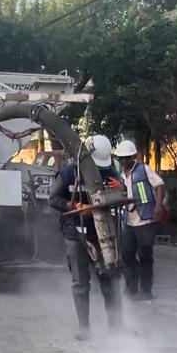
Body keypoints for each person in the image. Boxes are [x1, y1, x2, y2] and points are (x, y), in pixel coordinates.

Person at [50, 135, 125, 340]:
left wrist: (120, 190)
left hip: (104, 235)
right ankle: (84, 327)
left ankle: (117, 327)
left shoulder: (110, 172)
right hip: (76, 235)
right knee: (81, 283)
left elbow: (122, 197)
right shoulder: (68, 174)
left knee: (110, 280)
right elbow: (54, 199)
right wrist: (74, 207)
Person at [112, 140, 166, 300]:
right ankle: (131, 287)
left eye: (126, 158)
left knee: (145, 255)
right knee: (127, 254)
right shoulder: (121, 175)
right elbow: (125, 194)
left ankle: (146, 291)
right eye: (121, 158)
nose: (123, 161)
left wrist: (158, 206)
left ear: (133, 157)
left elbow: (160, 185)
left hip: (145, 220)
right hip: (129, 220)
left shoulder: (144, 169)